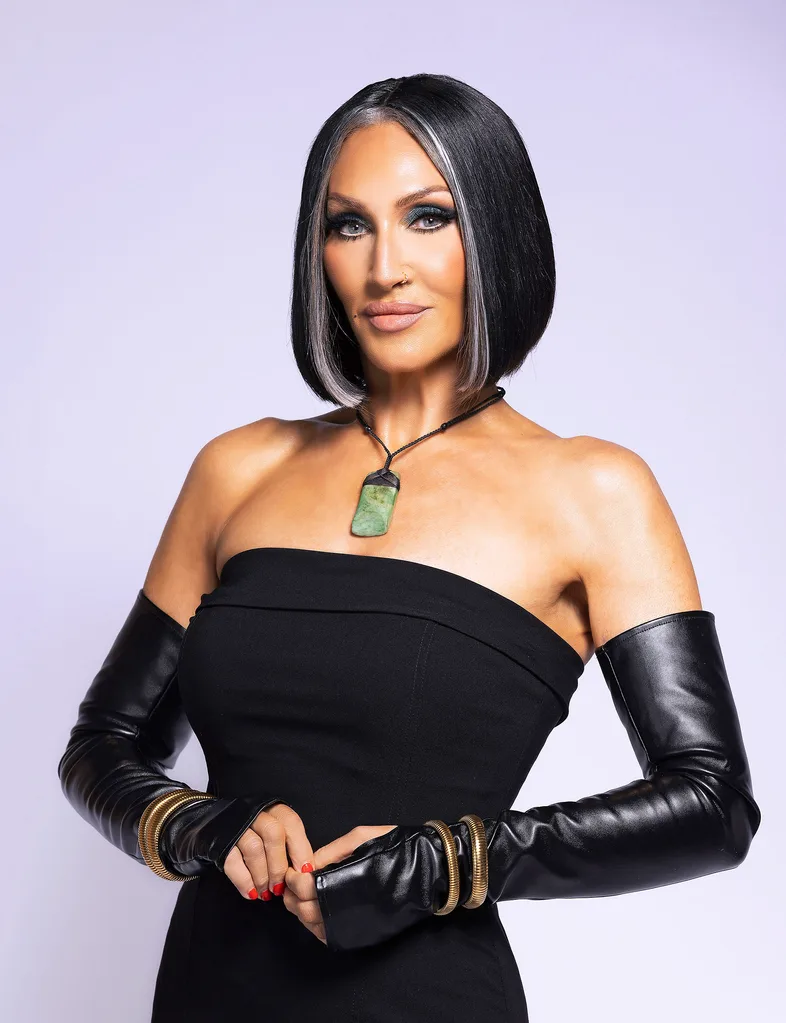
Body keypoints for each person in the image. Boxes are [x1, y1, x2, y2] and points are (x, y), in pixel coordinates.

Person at [57, 73, 761, 1022]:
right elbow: (104, 745)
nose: (384, 266)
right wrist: (198, 824)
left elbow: (713, 802)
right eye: (349, 225)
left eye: (428, 217)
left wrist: (445, 861)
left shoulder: (594, 491)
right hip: (208, 990)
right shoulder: (237, 469)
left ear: (495, 234)